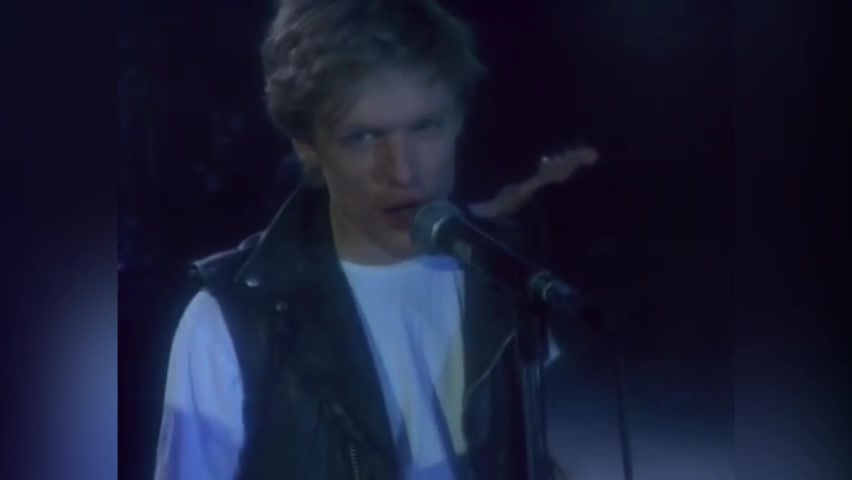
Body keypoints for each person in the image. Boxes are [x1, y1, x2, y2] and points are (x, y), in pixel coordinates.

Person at [154, 1, 593, 478]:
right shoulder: (231, 321)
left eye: (425, 126)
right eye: (362, 137)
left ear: (458, 120)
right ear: (307, 148)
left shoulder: (500, 276)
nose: (402, 171)